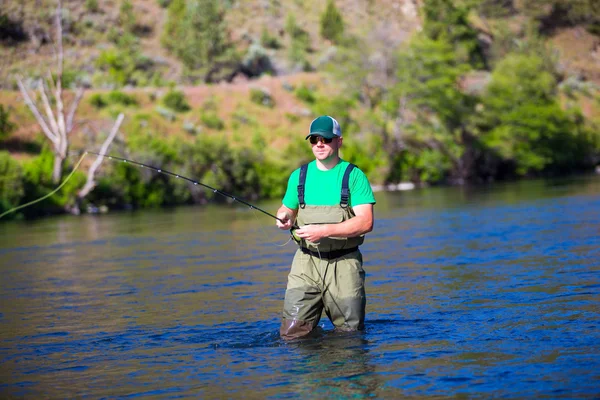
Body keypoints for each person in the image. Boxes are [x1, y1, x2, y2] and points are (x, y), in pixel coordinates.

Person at [276, 115, 376, 340]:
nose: (319, 144)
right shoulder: (299, 176)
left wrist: (322, 231)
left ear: (338, 141)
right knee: (292, 335)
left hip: (344, 263)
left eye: (326, 139)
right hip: (305, 262)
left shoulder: (354, 176)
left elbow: (365, 222)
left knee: (349, 337)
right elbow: (286, 210)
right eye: (314, 139)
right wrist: (283, 217)